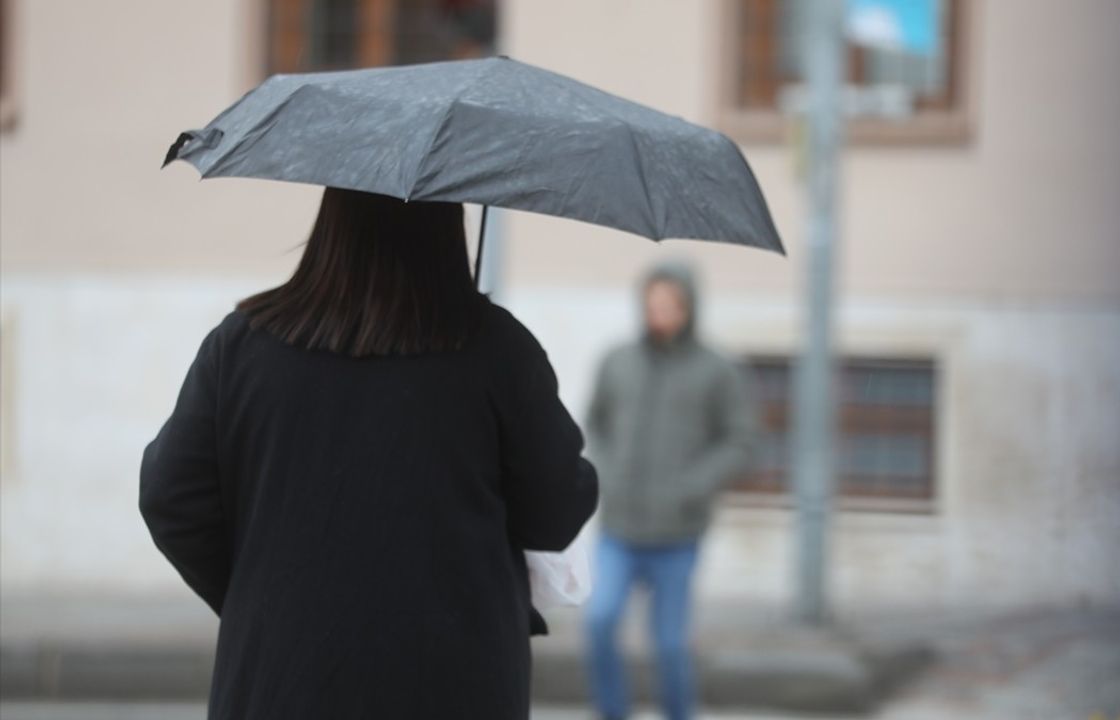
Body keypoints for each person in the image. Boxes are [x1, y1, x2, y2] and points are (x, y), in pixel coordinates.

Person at [139, 188, 597, 720]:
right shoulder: (498, 351)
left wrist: (260, 597)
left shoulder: (241, 347)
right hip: (455, 680)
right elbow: (557, 509)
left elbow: (170, 498)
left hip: (280, 680)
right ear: (447, 227)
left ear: (334, 223)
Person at [584, 262, 755, 720]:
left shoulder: (717, 370)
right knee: (599, 621)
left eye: (670, 304)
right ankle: (611, 713)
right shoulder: (617, 360)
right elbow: (594, 423)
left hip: (678, 533)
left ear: (689, 307)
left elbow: (740, 441)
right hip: (619, 527)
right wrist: (607, 470)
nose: (659, 313)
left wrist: (694, 485)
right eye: (652, 303)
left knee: (671, 644)